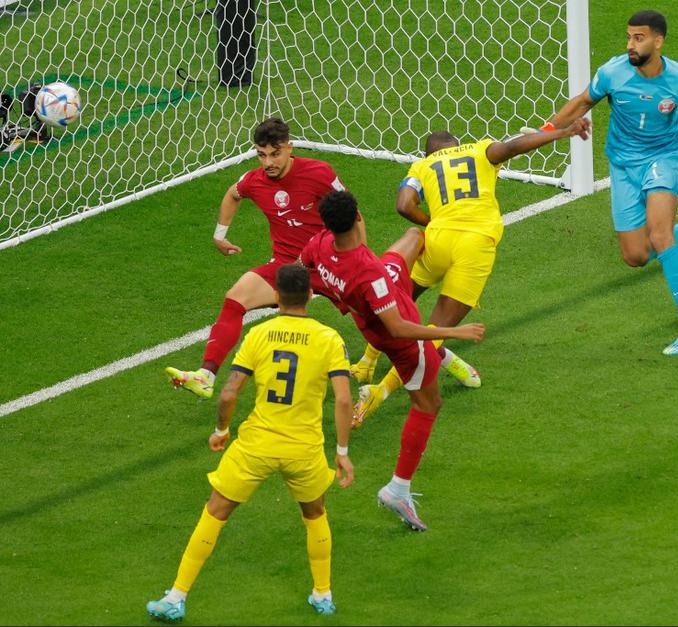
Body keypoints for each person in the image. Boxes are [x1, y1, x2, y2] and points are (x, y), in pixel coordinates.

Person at [538, 9, 678, 355]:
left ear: (658, 41)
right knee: (636, 256)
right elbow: (582, 102)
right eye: (628, 37)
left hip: (662, 161)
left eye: (638, 38)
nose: (630, 44)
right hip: (622, 166)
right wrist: (544, 134)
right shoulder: (612, 73)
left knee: (659, 235)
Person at [146, 264, 355, 621]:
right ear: (309, 295)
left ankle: (177, 597)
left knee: (215, 511)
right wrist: (342, 452)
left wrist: (221, 431)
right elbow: (343, 400)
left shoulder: (259, 334)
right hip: (303, 449)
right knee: (315, 513)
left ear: (275, 297)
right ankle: (323, 593)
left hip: (256, 445)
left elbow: (228, 393)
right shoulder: (329, 339)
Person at [350, 119, 592, 421]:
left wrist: (433, 222)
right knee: (435, 332)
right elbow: (514, 146)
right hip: (474, 246)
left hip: (437, 241)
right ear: (457, 144)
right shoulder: (479, 150)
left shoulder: (422, 167)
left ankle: (366, 361)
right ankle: (379, 392)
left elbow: (403, 204)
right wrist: (563, 132)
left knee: (393, 302)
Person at [299, 190, 485, 532]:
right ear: (358, 217)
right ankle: (398, 488)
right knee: (428, 404)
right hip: (401, 342)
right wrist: (455, 332)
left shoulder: (321, 242)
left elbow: (304, 266)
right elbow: (399, 329)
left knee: (415, 236)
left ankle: (440, 355)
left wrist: (327, 289)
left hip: (374, 290)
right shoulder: (370, 275)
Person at [166, 117, 346, 399]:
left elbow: (352, 213)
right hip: (288, 267)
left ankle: (434, 356)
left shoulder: (319, 173)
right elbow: (233, 194)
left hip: (328, 263)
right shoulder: (255, 181)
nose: (268, 162)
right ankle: (205, 376)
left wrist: (357, 258)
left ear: (289, 147)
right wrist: (219, 235)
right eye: (262, 155)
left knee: (380, 320)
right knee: (235, 298)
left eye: (275, 154)